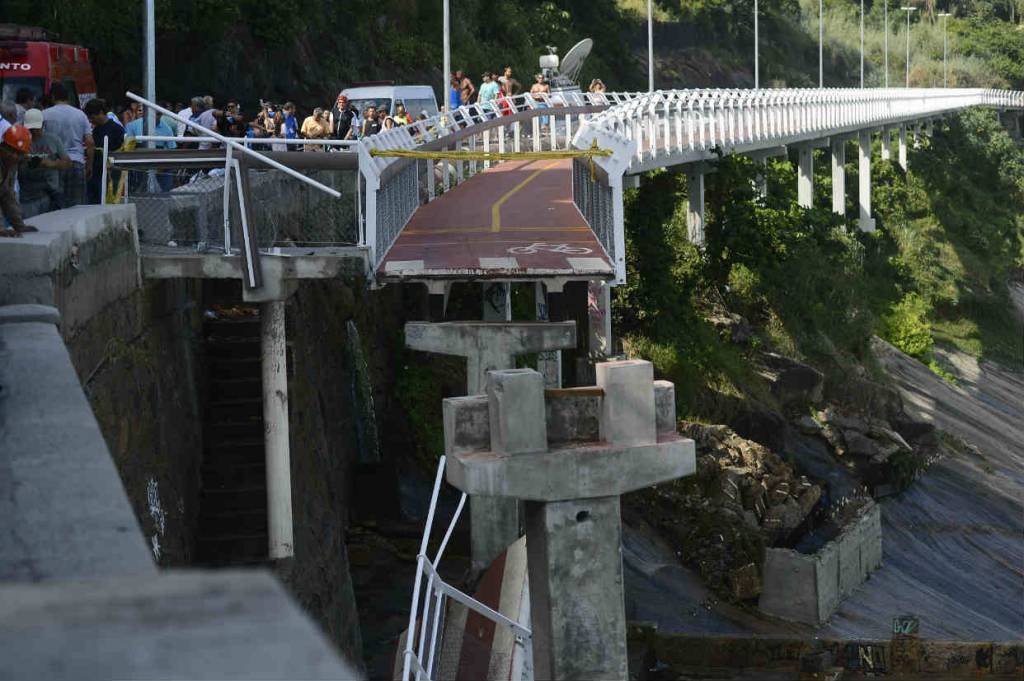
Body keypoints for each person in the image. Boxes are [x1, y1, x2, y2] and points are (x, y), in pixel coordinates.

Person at [42, 82, 93, 207]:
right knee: (77, 206)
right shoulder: (80, 115)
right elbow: (90, 142)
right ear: (68, 97)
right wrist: (89, 165)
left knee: (56, 205)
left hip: (54, 164)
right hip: (77, 162)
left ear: (53, 97)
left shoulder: (45, 114)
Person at [18, 108, 71, 218]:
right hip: (28, 195)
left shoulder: (53, 139)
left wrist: (50, 164)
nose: (34, 132)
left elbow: (68, 163)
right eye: (31, 129)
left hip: (51, 192)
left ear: (42, 125)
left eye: (36, 128)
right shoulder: (20, 141)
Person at [83, 98, 124, 204]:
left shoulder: (117, 129)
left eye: (92, 117)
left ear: (101, 113)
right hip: (95, 172)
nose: (91, 121)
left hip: (109, 173)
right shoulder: (96, 130)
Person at [0, 125, 37, 237]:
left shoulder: (11, 164)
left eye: (18, 153)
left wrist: (19, 225)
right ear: (2, 147)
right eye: (11, 151)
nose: (14, 156)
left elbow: (7, 195)